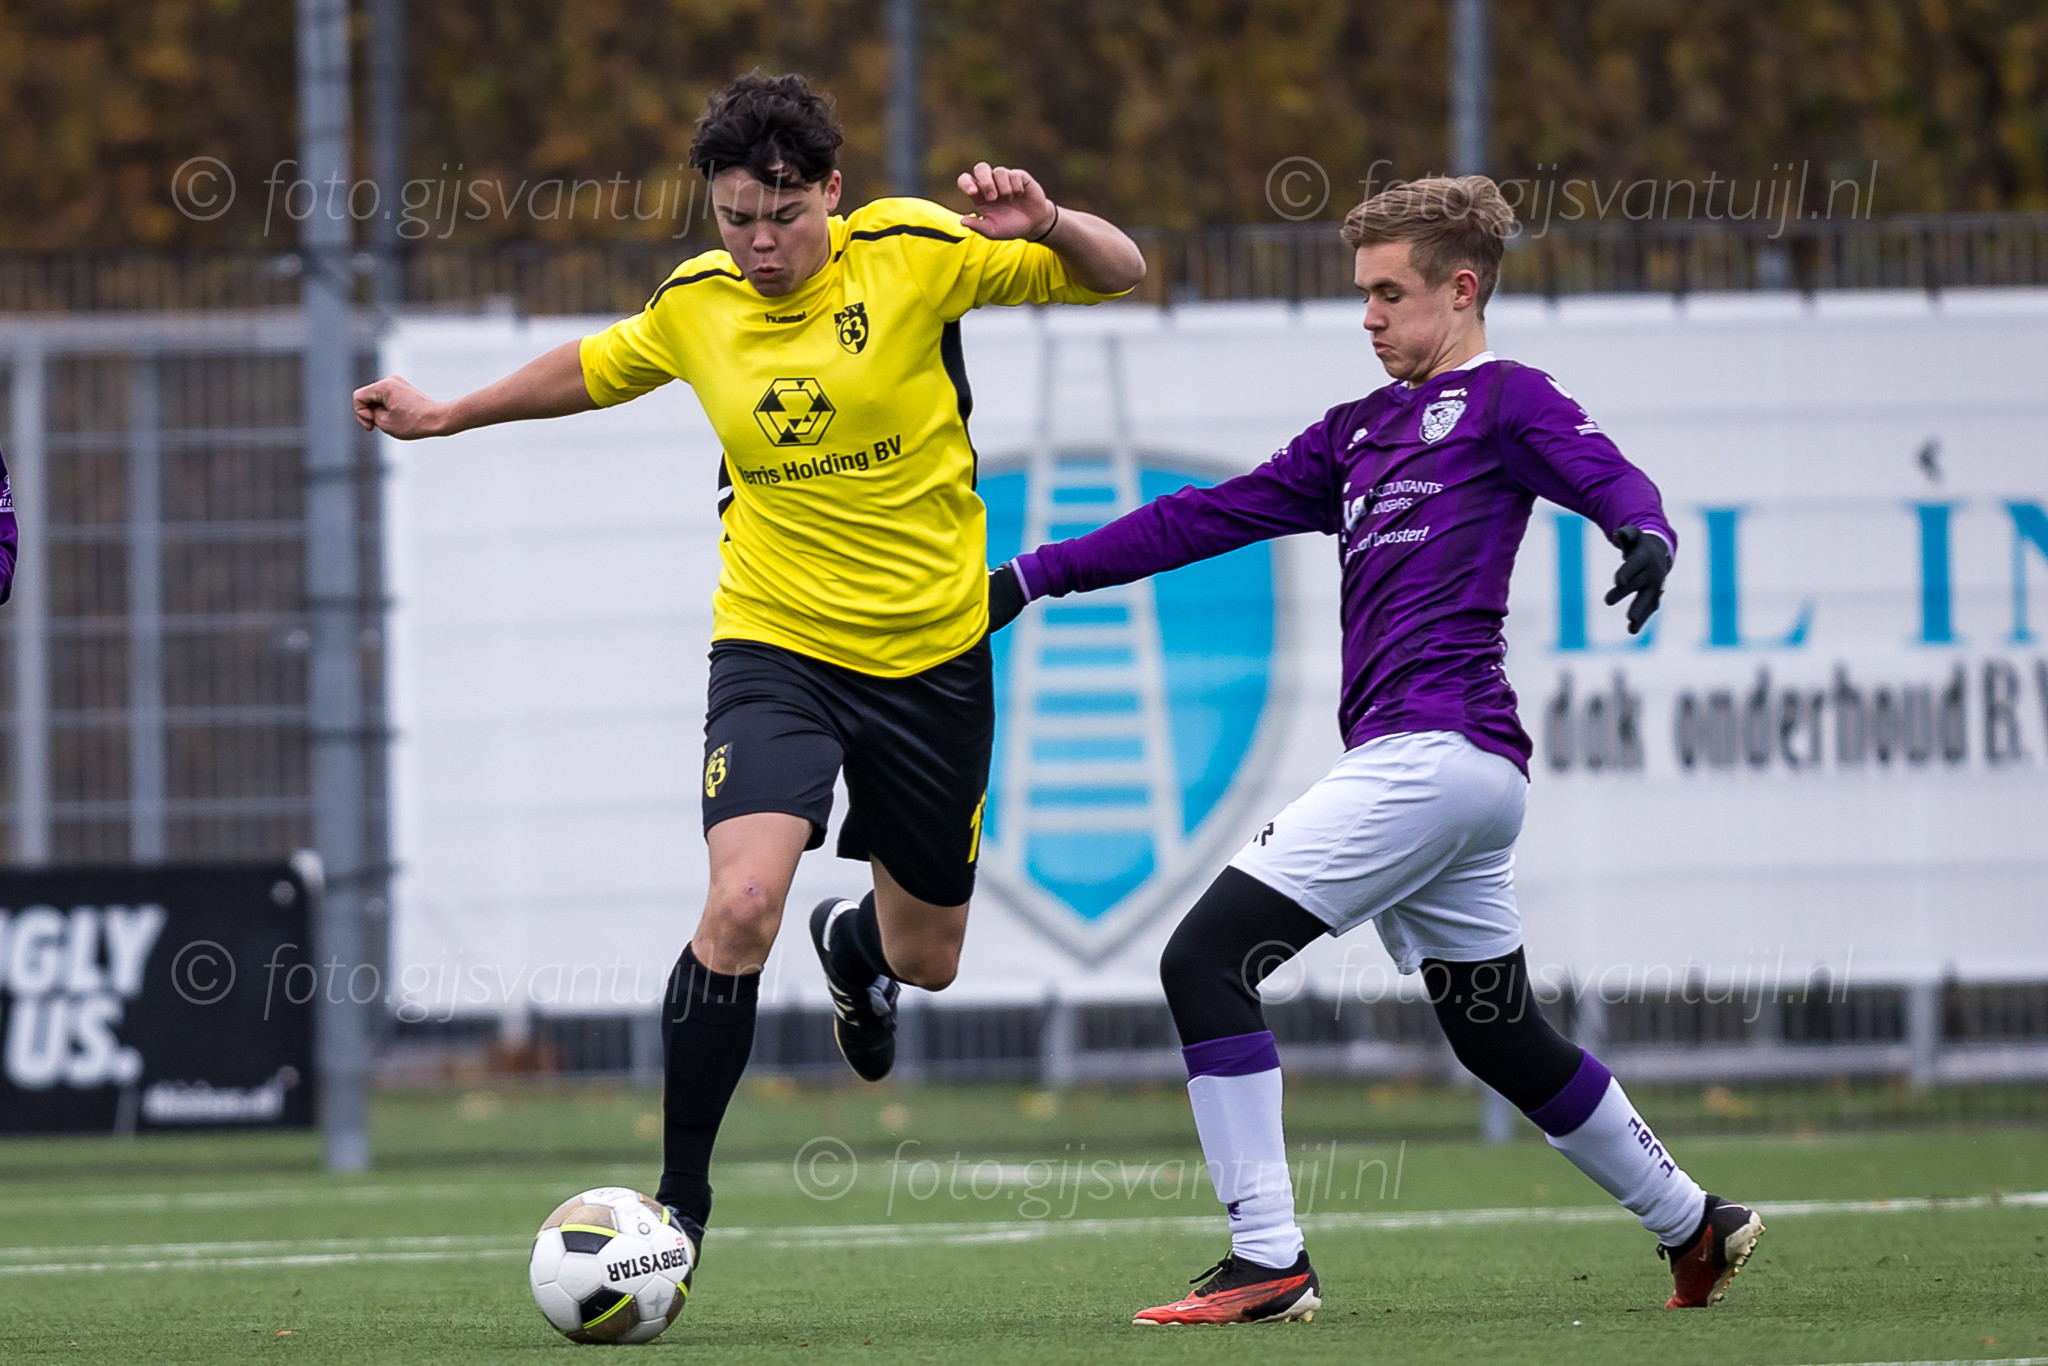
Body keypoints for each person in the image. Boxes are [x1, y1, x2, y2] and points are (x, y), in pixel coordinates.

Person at [353, 71, 1144, 1285]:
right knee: (737, 904)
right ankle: (677, 1210)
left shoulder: (914, 253)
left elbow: (1117, 271)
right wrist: (446, 413)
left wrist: (1050, 223)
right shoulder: (697, 304)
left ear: (833, 192)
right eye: (734, 218)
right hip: (776, 649)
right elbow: (592, 365)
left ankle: (856, 950)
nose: (760, 244)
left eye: (783, 215)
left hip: (931, 657)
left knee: (928, 956)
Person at [987, 175, 1761, 1325]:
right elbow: (1203, 515)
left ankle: (1267, 1257)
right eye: (1361, 293)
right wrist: (1032, 573)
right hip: (1456, 776)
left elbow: (1602, 469)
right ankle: (1691, 1221)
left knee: (1203, 961)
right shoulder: (1353, 433)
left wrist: (1639, 529)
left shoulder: (1504, 400)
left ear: (1462, 290)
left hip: (1434, 757)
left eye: (1388, 293)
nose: (1367, 315)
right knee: (1495, 1030)